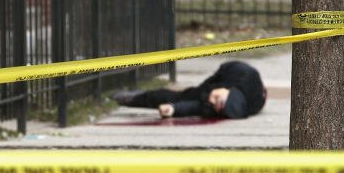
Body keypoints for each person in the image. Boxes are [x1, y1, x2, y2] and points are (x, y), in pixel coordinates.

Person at [112, 61, 266, 119]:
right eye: (217, 99)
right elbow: (225, 68)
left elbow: (195, 107)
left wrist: (173, 109)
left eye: (216, 106)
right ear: (228, 91)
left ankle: (134, 99)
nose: (212, 101)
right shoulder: (243, 74)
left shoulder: (221, 107)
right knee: (187, 94)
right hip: (222, 80)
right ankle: (134, 97)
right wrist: (208, 84)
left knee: (178, 98)